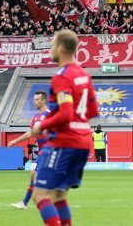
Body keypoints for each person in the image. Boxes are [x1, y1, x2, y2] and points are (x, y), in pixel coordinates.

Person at [25, 30, 98, 226]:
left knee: (40, 196)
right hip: (83, 141)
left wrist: (42, 125)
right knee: (58, 196)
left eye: (51, 46)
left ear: (61, 48)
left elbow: (65, 113)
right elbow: (92, 109)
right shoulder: (84, 74)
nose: (50, 50)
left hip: (64, 142)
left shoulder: (61, 77)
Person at [9, 90, 50, 210]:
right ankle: (26, 202)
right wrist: (16, 141)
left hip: (50, 149)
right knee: (36, 175)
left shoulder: (50, 114)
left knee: (34, 173)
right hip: (43, 149)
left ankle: (26, 202)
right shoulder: (36, 117)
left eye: (37, 99)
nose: (34, 101)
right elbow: (31, 132)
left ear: (44, 101)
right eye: (34, 99)